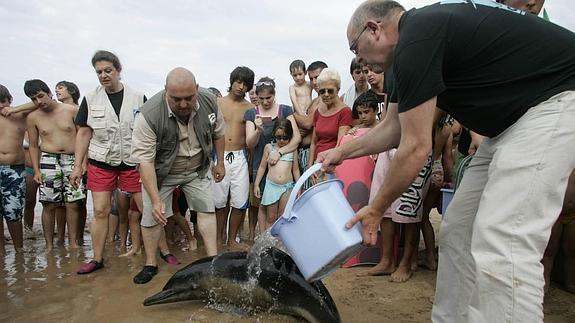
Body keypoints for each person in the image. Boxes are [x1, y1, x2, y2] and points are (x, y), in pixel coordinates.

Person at [319, 1, 575, 321]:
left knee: (504, 237)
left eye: (356, 47)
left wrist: (375, 208)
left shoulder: (417, 38)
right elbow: (394, 128)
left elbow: (416, 148)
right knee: (458, 230)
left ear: (374, 28)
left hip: (555, 99)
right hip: (508, 126)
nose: (358, 58)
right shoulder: (405, 54)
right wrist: (341, 152)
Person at [131, 67, 225, 284]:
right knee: (151, 218)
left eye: (189, 98)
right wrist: (155, 200)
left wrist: (220, 163)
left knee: (206, 210)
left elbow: (219, 133)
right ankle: (150, 263)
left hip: (196, 169)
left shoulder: (210, 102)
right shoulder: (149, 114)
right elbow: (144, 161)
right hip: (163, 172)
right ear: (165, 91)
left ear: (197, 90)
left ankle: (212, 260)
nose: (183, 105)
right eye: (176, 99)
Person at [71, 50, 146, 274]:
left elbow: (147, 131)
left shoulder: (138, 97)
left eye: (108, 70)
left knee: (146, 208)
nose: (103, 75)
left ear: (118, 70)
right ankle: (97, 258)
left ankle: (156, 253)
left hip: (132, 162)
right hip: (101, 161)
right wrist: (77, 166)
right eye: (99, 72)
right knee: (101, 211)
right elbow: (83, 133)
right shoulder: (90, 98)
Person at [25, 79, 85, 251]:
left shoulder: (72, 110)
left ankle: (73, 243)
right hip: (48, 159)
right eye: (34, 99)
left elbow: (83, 136)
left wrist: (81, 164)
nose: (39, 101)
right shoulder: (33, 117)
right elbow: (34, 145)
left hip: (72, 158)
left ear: (49, 93)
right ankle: (50, 245)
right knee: (49, 204)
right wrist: (36, 170)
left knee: (73, 203)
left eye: (41, 96)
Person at [245, 77, 301, 234]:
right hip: (261, 162)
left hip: (282, 159)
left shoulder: (285, 110)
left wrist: (280, 152)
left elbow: (296, 137)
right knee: (260, 205)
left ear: (274, 94)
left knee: (280, 210)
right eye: (261, 98)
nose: (265, 102)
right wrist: (257, 130)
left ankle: (277, 238)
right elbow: (250, 143)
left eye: (268, 98)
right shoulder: (251, 113)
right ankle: (261, 237)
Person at [213, 66, 254, 250]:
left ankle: (231, 239)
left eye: (245, 84)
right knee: (219, 201)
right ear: (232, 81)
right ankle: (218, 238)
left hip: (240, 156)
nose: (241, 87)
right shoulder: (218, 102)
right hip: (219, 155)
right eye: (238, 82)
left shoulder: (250, 108)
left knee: (239, 202)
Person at [307, 68, 352, 181]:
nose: (326, 94)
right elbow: (313, 142)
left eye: (330, 91)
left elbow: (340, 144)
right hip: (316, 166)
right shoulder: (318, 112)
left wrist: (326, 166)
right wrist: (310, 168)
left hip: (332, 167)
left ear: (338, 90)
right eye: (322, 91)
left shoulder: (345, 111)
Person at [254, 119, 300, 229]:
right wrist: (256, 184)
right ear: (274, 134)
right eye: (278, 137)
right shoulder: (269, 148)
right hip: (272, 187)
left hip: (287, 187)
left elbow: (295, 170)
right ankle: (267, 242)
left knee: (282, 216)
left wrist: (299, 186)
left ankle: (278, 242)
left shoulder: (292, 149)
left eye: (285, 138)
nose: (282, 141)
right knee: (271, 216)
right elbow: (262, 167)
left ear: (290, 136)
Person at [0, 85, 25, 254]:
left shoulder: (19, 116)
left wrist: (12, 109)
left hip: (14, 170)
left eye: (4, 101)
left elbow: (36, 104)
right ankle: (1, 251)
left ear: (10, 100)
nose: (1, 106)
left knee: (13, 212)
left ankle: (19, 249)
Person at [293, 61, 328, 177]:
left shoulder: (326, 101)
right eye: (311, 79)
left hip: (316, 154)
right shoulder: (314, 101)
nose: (314, 82)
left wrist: (291, 116)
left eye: (317, 77)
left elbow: (308, 123)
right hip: (304, 153)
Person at [543, 169, 575, 294]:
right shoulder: (563, 152)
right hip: (554, 211)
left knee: (572, 250)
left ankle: (571, 283)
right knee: (549, 250)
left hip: (573, 215)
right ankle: (544, 283)